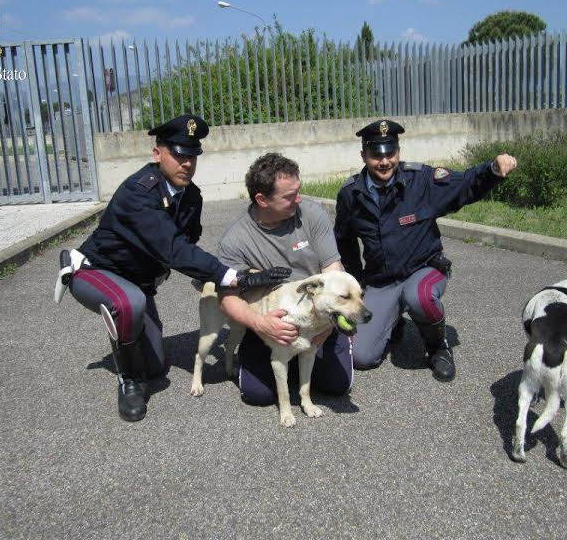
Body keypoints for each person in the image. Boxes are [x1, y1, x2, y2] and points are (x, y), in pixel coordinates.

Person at [57, 115, 290, 422]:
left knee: (156, 368)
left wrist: (216, 279)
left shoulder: (191, 196)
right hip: (97, 271)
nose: (187, 163)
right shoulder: (137, 193)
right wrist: (235, 277)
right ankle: (128, 381)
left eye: (193, 155)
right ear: (157, 154)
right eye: (179, 154)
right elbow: (174, 249)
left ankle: (132, 344)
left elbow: (187, 249)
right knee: (129, 304)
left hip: (138, 281)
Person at [334, 119, 518, 381]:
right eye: (376, 155)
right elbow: (345, 240)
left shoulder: (420, 181)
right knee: (361, 357)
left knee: (418, 296)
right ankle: (394, 321)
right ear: (364, 155)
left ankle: (438, 348)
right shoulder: (351, 194)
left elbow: (464, 185)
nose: (384, 161)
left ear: (398, 152)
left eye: (390, 153)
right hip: (382, 280)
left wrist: (492, 170)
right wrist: (357, 282)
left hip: (423, 269)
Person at [218, 153, 354, 405]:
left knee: (336, 385)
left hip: (318, 318)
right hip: (271, 323)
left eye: (298, 191)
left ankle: (298, 364)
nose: (299, 199)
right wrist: (261, 325)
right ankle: (282, 362)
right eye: (290, 196)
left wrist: (330, 323)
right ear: (262, 199)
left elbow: (333, 271)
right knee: (258, 395)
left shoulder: (312, 214)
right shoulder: (235, 241)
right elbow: (227, 299)